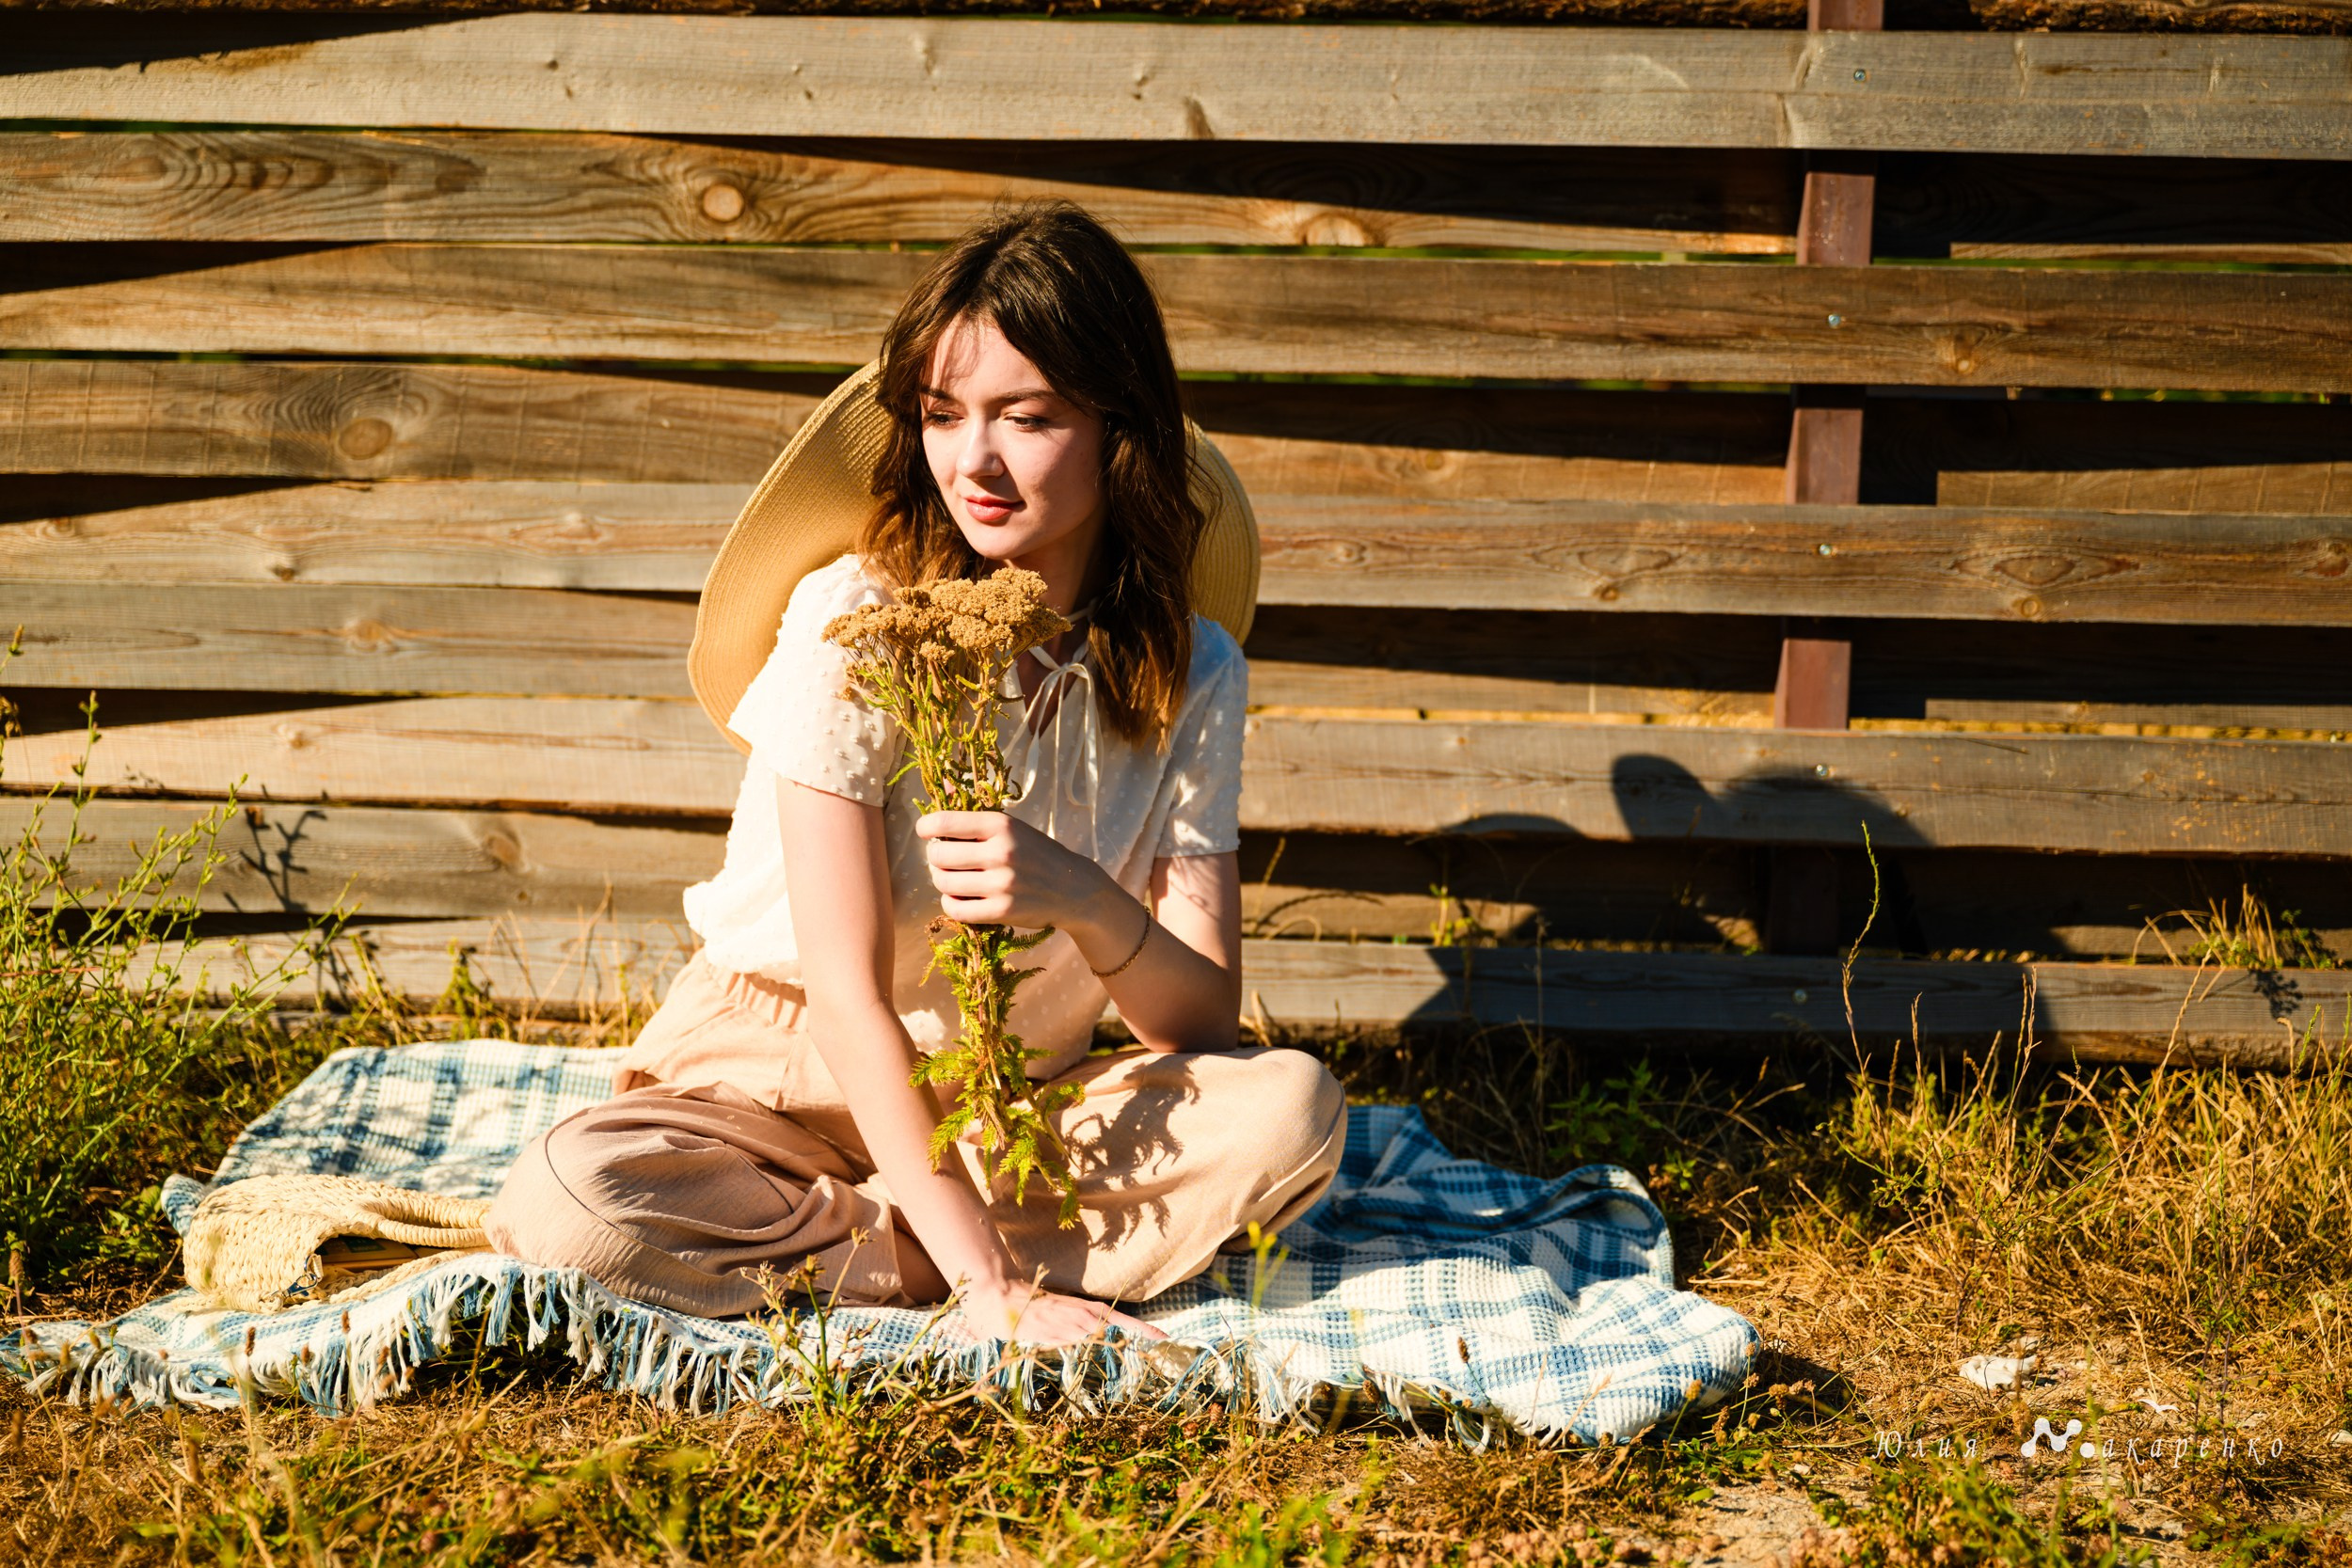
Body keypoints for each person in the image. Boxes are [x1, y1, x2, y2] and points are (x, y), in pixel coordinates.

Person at [485, 202, 1346, 1347]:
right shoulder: (860, 618)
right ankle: (965, 1261)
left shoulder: (1195, 670)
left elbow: (1198, 1019)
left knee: (1293, 1112)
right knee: (570, 1198)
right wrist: (995, 1285)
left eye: (1025, 417)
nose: (971, 462)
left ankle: (859, 1251)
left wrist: (1082, 896)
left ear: (1117, 425)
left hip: (1011, 1109)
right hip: (770, 1086)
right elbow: (844, 994)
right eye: (944, 416)